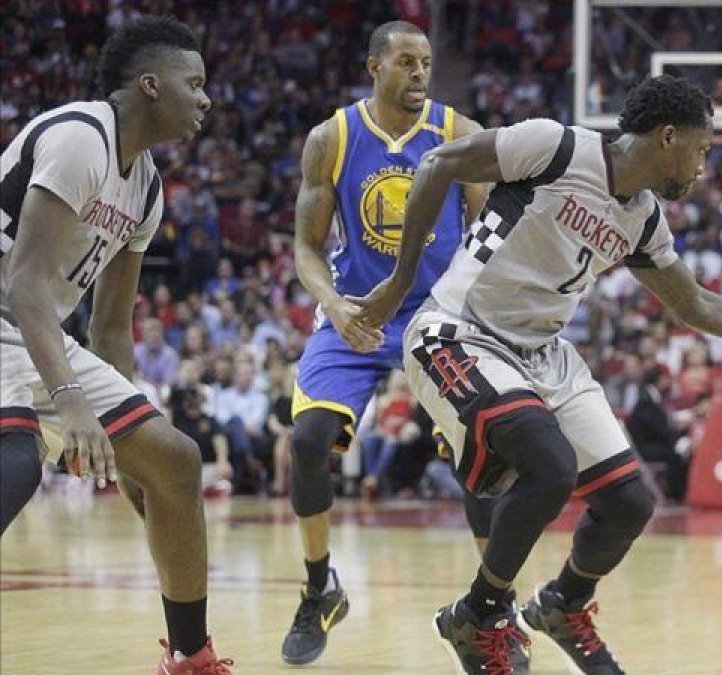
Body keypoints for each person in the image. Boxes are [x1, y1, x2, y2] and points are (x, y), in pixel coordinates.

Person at [353, 74, 722, 675]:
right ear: (669, 136)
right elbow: (439, 161)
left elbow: (696, 305)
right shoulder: (556, 147)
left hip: (543, 354)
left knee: (629, 502)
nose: (701, 168)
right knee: (549, 466)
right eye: (701, 150)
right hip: (460, 330)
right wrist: (401, 280)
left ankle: (563, 605)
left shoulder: (644, 220)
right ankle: (479, 615)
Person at [0, 16, 234, 673]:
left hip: (36, 331)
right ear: (151, 86)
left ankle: (191, 655)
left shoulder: (149, 187)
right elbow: (23, 281)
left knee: (175, 460)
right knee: (17, 458)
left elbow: (108, 328)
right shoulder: (81, 137)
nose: (207, 99)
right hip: (9, 310)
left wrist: (134, 451)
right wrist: (72, 405)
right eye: (196, 84)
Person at [280, 20, 500, 667]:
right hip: (358, 313)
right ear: (374, 67)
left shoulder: (458, 133)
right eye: (406, 61)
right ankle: (320, 586)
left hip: (437, 315)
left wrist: (466, 310)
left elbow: (487, 229)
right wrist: (333, 305)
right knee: (310, 439)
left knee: (479, 454)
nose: (420, 74)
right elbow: (305, 247)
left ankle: (494, 609)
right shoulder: (334, 138)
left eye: (426, 62)